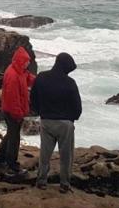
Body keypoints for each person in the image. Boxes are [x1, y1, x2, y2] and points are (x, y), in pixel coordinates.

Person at [30, 52, 81, 193]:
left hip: (46, 121)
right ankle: (64, 184)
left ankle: (41, 181)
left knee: (45, 154)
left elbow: (33, 99)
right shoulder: (70, 83)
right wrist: (71, 119)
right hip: (65, 124)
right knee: (66, 156)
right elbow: (77, 107)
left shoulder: (41, 77)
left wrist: (41, 112)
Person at [0, 46, 35, 175]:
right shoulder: (12, 75)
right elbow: (12, 99)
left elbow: (28, 78)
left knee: (11, 134)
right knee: (14, 138)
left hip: (11, 111)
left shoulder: (19, 71)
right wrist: (18, 114)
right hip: (12, 112)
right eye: (26, 61)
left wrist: (42, 80)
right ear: (21, 60)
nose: (28, 63)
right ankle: (12, 166)